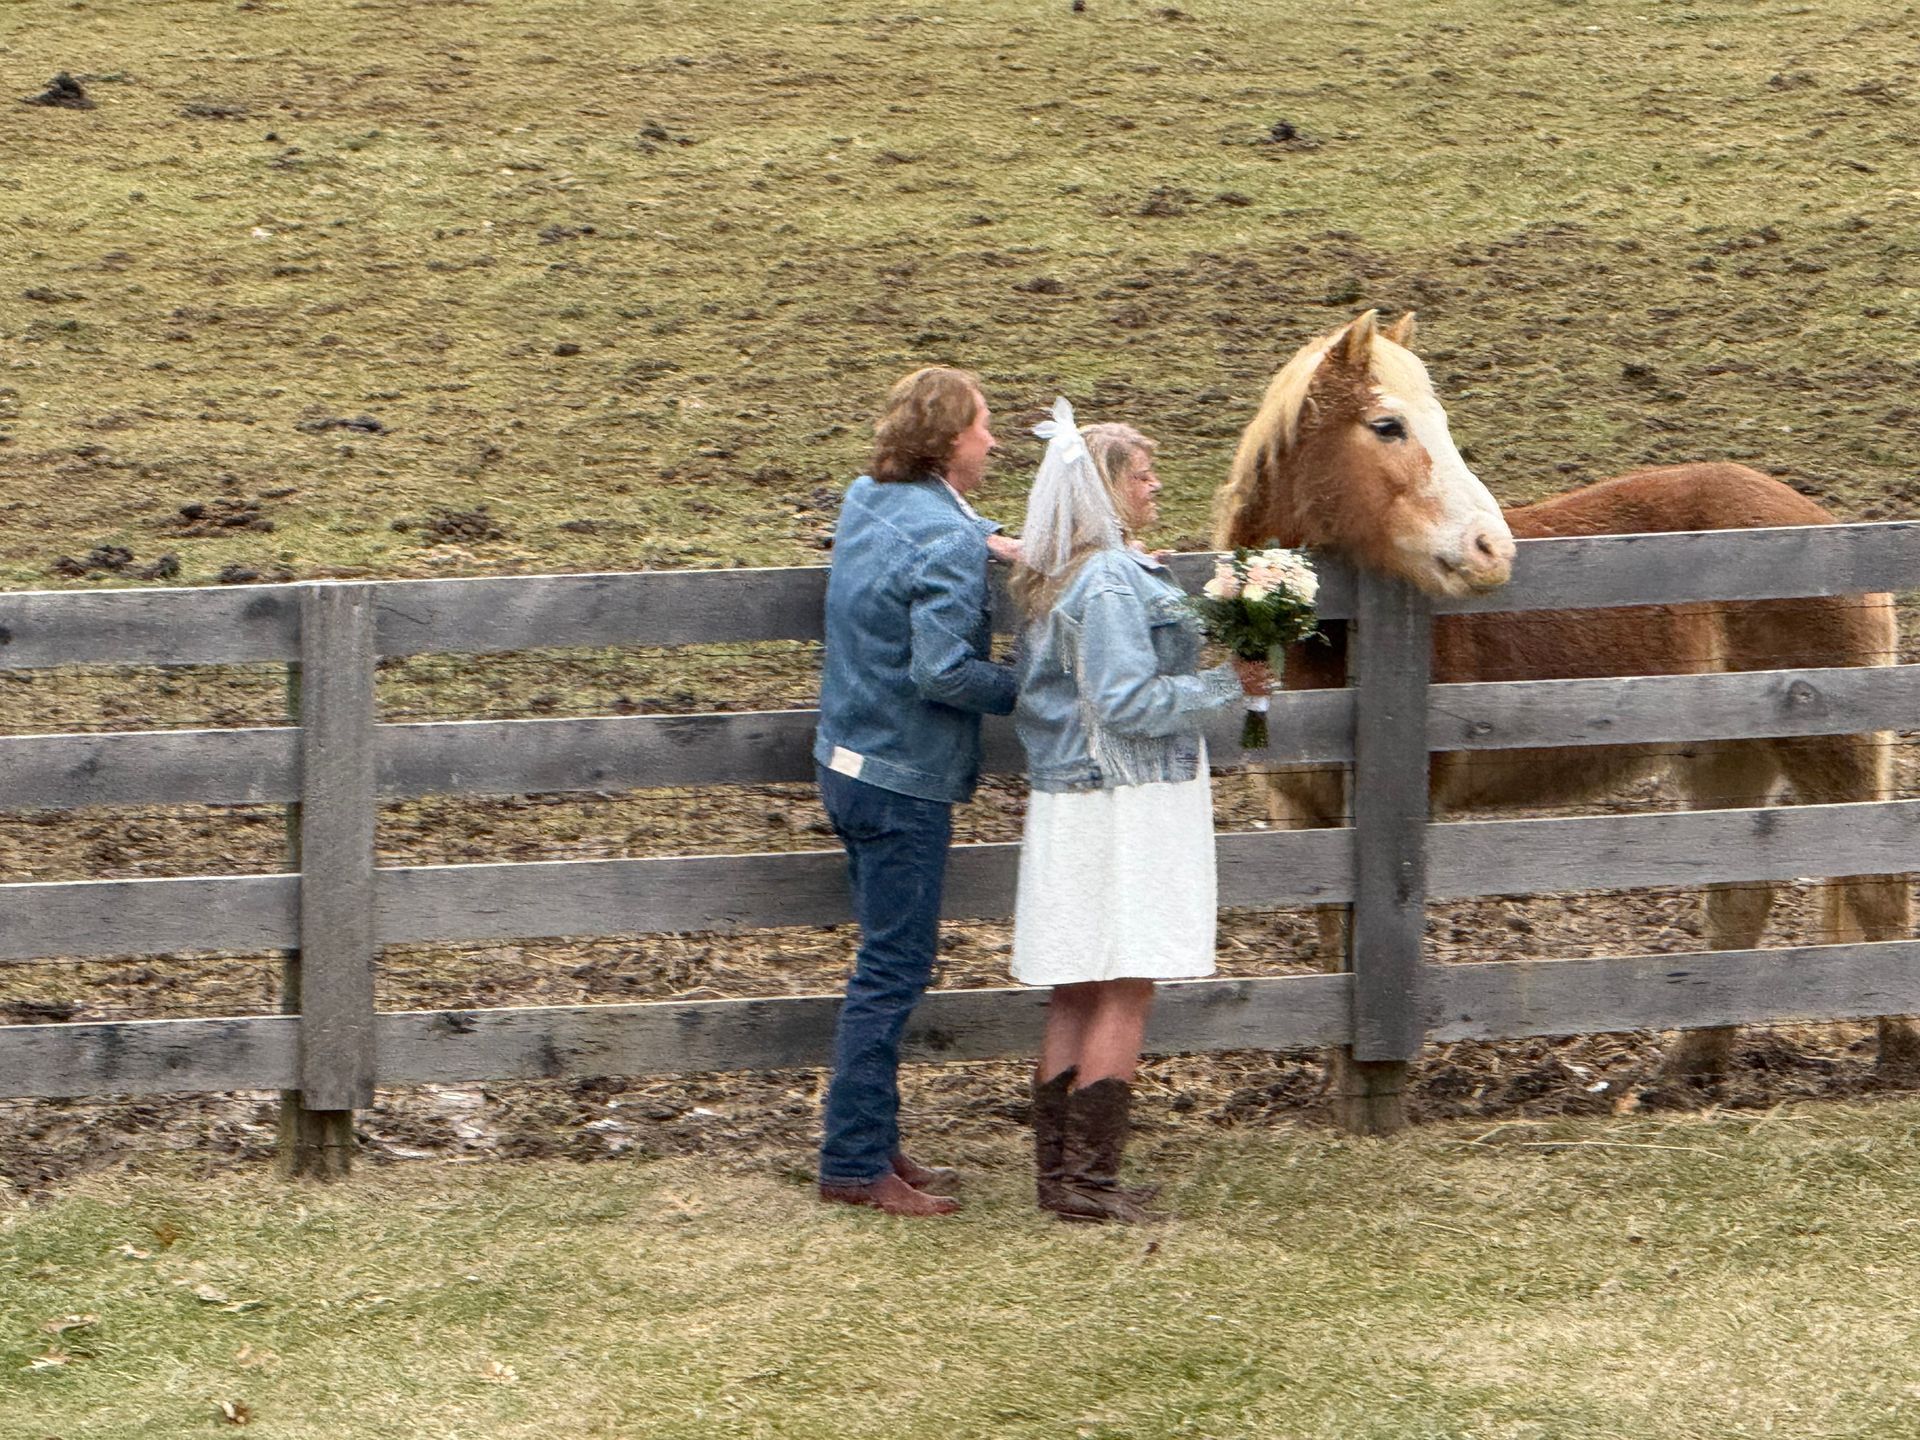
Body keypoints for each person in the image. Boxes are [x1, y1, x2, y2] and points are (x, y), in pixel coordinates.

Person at [1008, 400, 1268, 1223]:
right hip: (1129, 798)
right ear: (1106, 492)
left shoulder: (1064, 575)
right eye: (1142, 476)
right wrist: (1233, 685)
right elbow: (1124, 700)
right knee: (1127, 980)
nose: (1157, 487)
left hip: (1070, 796)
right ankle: (1088, 1183)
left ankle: (1061, 1177)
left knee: (1077, 981)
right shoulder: (1113, 579)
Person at [812, 366, 1021, 1217]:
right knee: (893, 972)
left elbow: (939, 534)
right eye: (983, 427)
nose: (995, 441)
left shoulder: (870, 497)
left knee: (884, 964)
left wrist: (992, 542)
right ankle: (854, 1162)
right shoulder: (943, 540)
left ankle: (873, 1141)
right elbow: (943, 671)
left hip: (846, 759)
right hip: (904, 783)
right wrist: (1031, 688)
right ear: (946, 442)